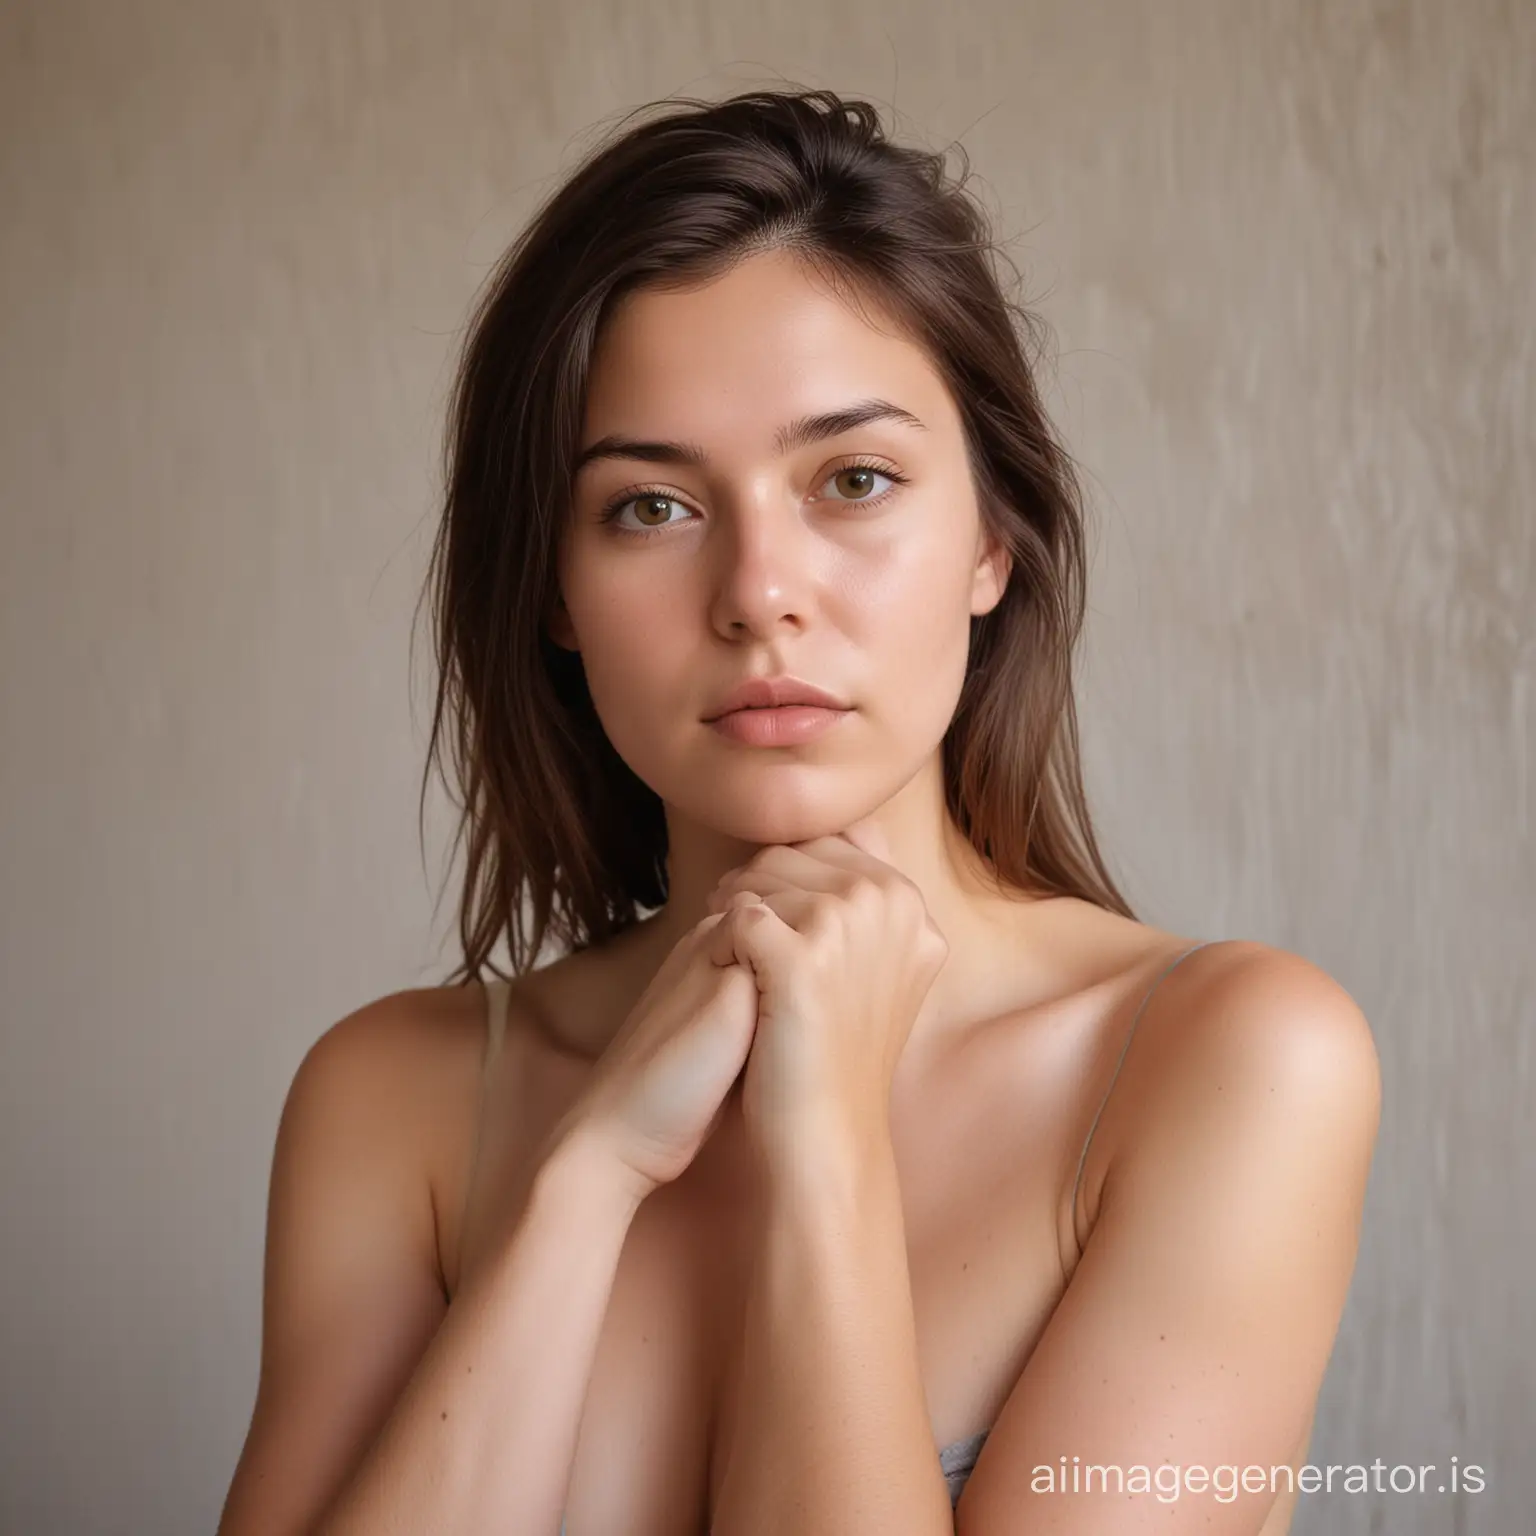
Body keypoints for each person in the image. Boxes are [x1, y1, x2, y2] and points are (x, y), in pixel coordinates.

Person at [218, 88, 1381, 1536]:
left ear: (990, 543)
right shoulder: (393, 1101)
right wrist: (585, 1182)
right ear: (556, 597)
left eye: (855, 480)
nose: (760, 590)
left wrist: (825, 1138)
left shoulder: (1228, 1064)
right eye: (651, 506)